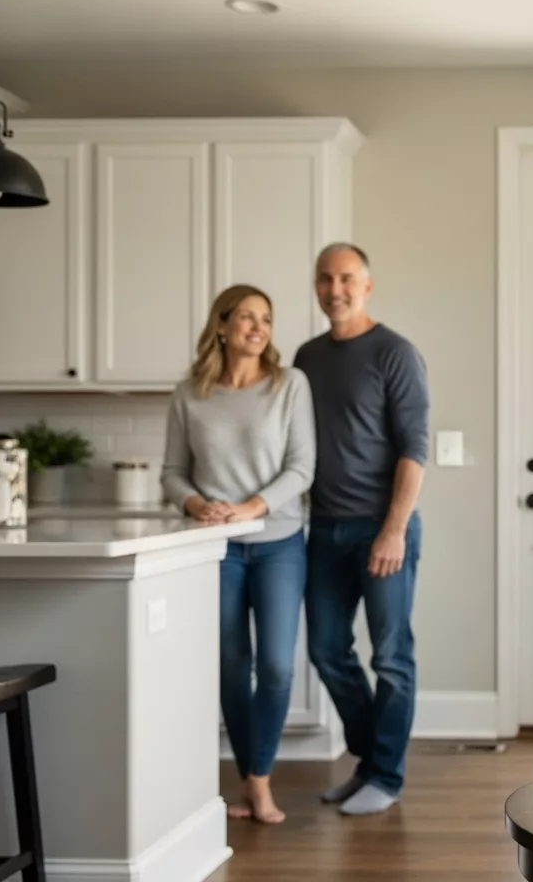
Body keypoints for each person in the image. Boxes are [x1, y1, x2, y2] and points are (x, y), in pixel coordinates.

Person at [160, 284, 316, 824]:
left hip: (278, 544)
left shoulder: (289, 385)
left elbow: (302, 467)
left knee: (275, 666)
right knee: (231, 667)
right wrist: (199, 502)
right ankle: (252, 779)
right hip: (215, 548)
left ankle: (260, 779)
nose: (258, 327)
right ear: (221, 325)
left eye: (267, 319)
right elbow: (171, 473)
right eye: (247, 317)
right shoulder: (190, 394)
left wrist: (251, 507)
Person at [294, 242, 429, 816]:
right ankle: (372, 759)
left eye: (346, 278)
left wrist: (393, 530)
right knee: (327, 650)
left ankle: (386, 775)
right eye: (325, 279)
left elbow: (415, 448)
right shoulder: (305, 356)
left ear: (366, 285)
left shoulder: (395, 352)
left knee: (391, 656)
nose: (335, 289)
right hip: (323, 529)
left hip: (383, 529)